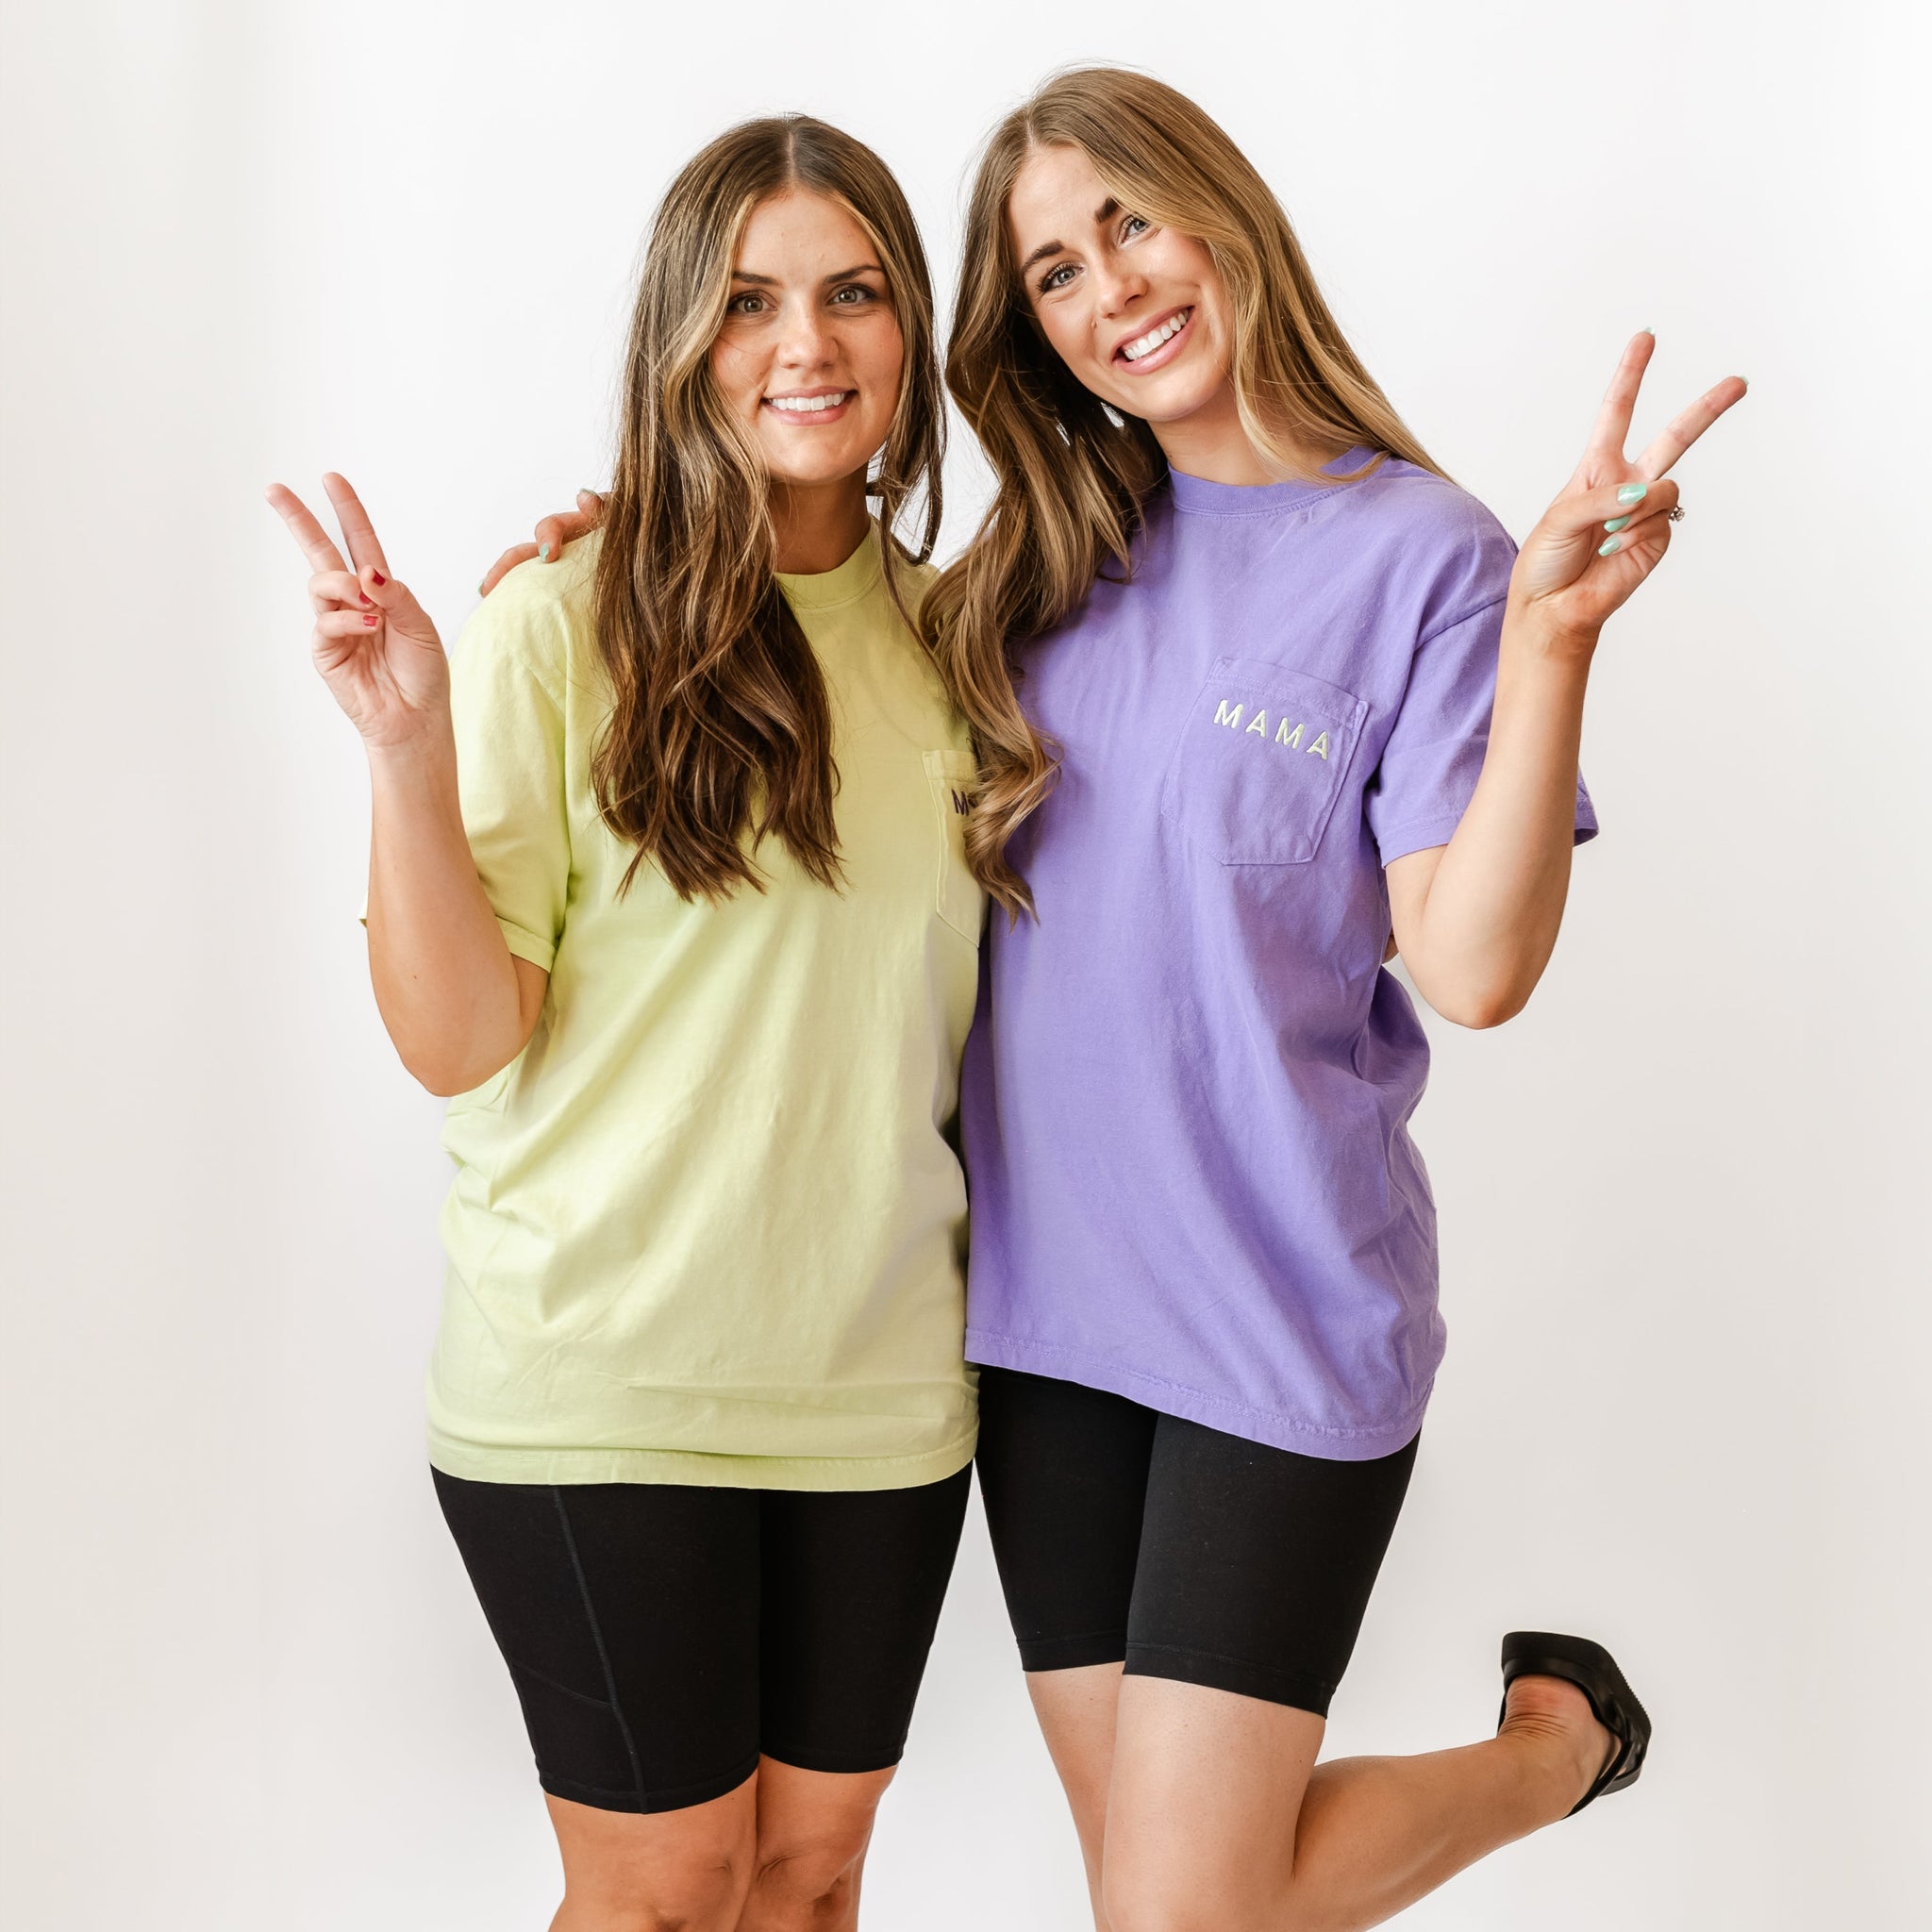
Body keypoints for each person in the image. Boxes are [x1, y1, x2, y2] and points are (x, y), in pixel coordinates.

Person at [502, 67, 1745, 1930]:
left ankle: (1549, 1753)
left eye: (1132, 224)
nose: (1113, 289)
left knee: (1181, 1915)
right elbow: (812, 619)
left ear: (1224, 218)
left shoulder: (1427, 557)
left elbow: (1476, 965)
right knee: (1174, 1901)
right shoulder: (1022, 573)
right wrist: (642, 524)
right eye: (1055, 272)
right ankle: (1558, 1738)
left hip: (1279, 1318)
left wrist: (1551, 644)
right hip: (1040, 1339)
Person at [267, 115, 984, 1932]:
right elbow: (457, 1041)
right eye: (747, 302)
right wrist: (407, 749)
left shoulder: (973, 646)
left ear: (912, 330)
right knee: (669, 1891)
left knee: (808, 1881)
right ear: (679, 333)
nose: (804, 344)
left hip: (881, 1389)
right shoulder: (558, 624)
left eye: (853, 293)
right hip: (599, 1382)